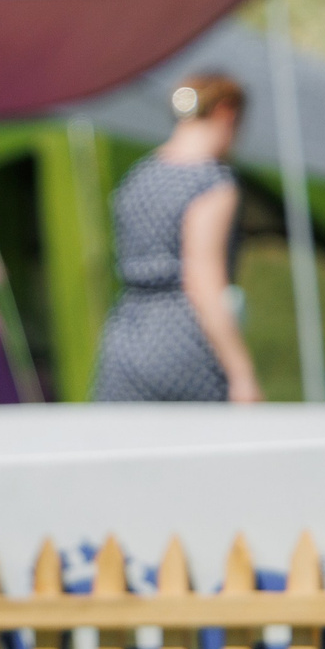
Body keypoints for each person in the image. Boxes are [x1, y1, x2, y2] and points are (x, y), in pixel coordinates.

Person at [90, 73, 262, 404]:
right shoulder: (211, 182)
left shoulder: (140, 175)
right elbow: (201, 280)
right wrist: (242, 373)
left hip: (126, 337)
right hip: (185, 342)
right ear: (226, 113)